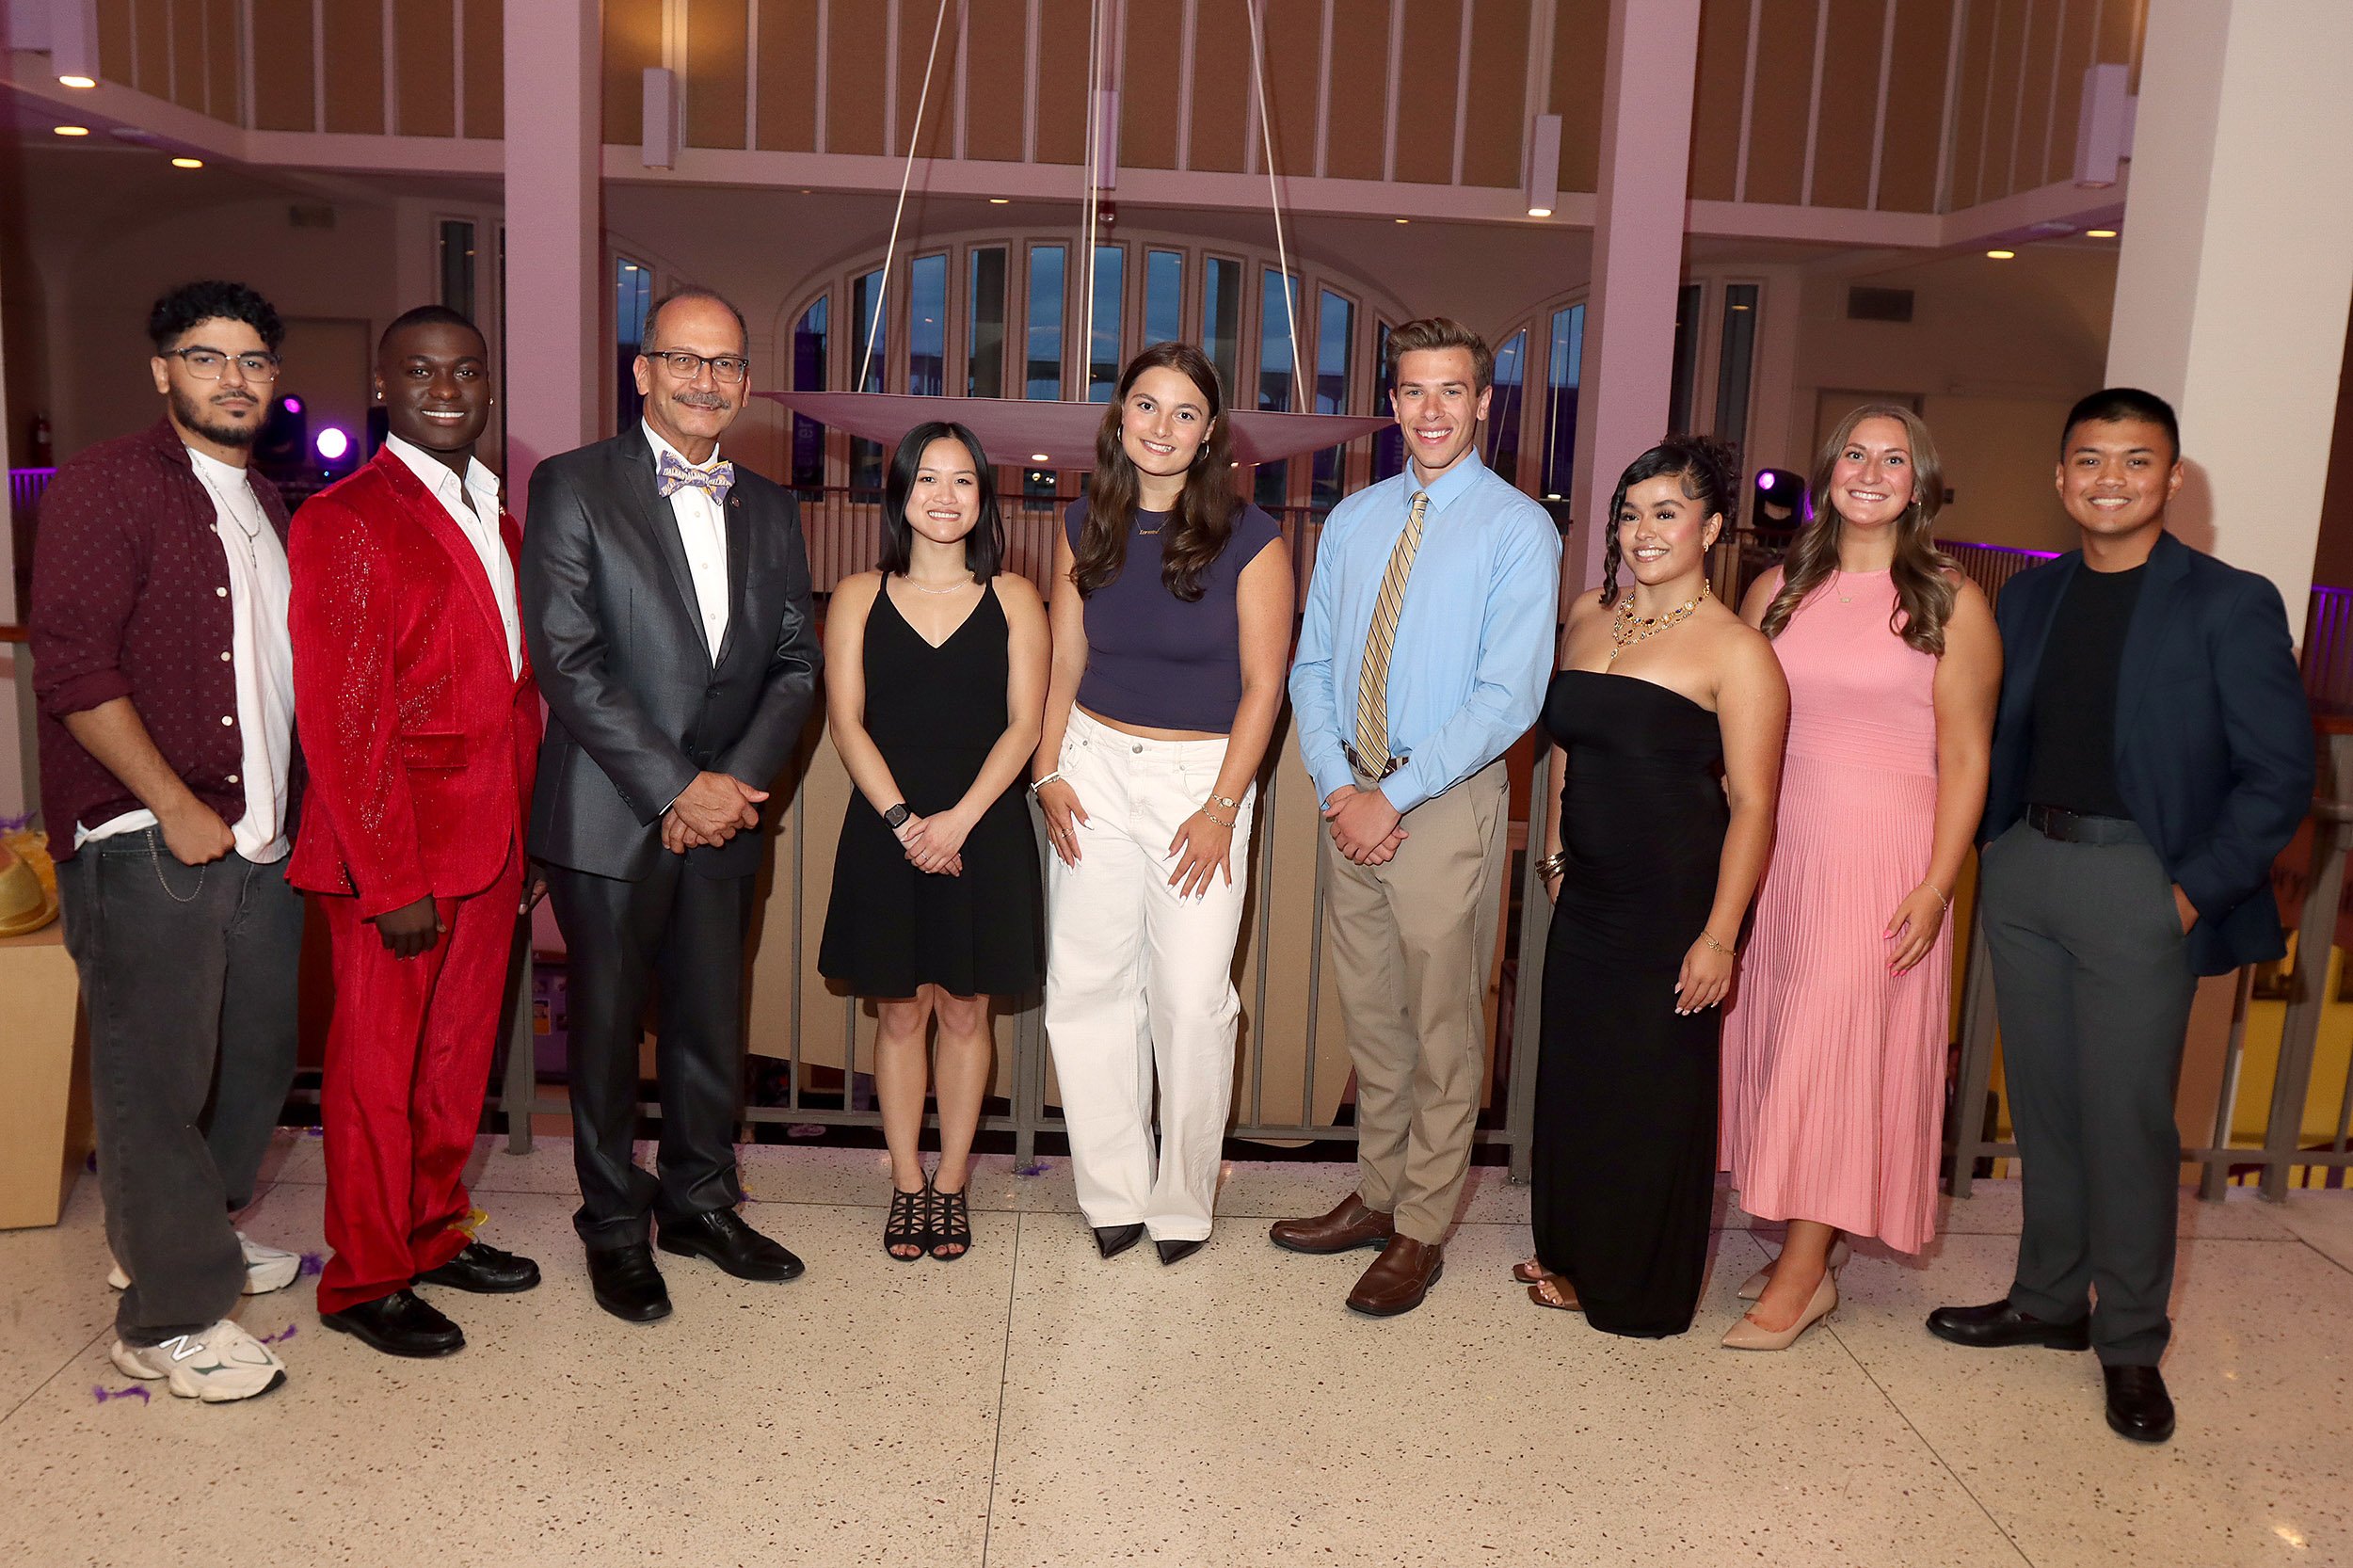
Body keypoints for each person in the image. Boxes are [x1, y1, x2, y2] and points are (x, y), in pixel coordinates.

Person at [1929, 389, 2313, 1444]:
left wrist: (2187, 890)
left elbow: (2280, 775)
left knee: (2128, 1120)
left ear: (2170, 478)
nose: (2109, 479)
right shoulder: (2028, 600)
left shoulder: (2227, 602)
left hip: (2138, 883)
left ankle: (2131, 1342)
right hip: (2027, 871)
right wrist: (1992, 846)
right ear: (2060, 479)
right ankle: (2048, 1300)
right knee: (2044, 1105)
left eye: (2134, 461)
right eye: (2089, 460)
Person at [521, 286, 823, 1324]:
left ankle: (699, 1202)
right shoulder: (571, 485)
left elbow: (793, 663)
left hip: (728, 814)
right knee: (603, 1033)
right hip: (611, 813)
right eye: (684, 359)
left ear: (745, 382)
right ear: (641, 371)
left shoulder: (774, 507)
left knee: (709, 1022)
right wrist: (675, 787)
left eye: (727, 363)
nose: (707, 379)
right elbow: (568, 661)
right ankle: (611, 1224)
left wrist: (731, 785)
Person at [30, 280, 304, 1401]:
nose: (232, 378)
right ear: (163, 371)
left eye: (251, 360)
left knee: (250, 1070)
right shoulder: (110, 483)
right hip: (155, 840)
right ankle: (170, 1312)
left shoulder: (271, 502)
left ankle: (188, 1231)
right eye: (206, 357)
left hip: (264, 847)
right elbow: (75, 670)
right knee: (154, 1078)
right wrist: (176, 806)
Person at [1273, 318, 1559, 1316]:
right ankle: (1382, 1191)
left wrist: (1388, 797)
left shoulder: (1519, 529)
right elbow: (1312, 665)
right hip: (1346, 793)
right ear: (1390, 403)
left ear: (1485, 402)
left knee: (1442, 1026)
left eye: (1450, 392)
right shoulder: (1353, 520)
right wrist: (1335, 788)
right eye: (1411, 391)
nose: (1429, 410)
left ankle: (1423, 1226)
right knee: (1374, 1019)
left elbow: (1507, 697)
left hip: (1441, 801)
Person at [287, 306, 544, 1357]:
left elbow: (516, 696)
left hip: (490, 847)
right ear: (384, 387)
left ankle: (433, 1232)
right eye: (423, 371)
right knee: (374, 1075)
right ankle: (363, 1277)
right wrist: (388, 878)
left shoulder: (500, 516)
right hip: (394, 855)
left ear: (489, 387)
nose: (449, 387)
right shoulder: (347, 518)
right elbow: (344, 725)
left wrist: (522, 848)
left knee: (453, 1064)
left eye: (468, 370)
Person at [1719, 407, 2000, 1350]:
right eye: (1853, 453)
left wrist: (1938, 881)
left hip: (1885, 851)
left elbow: (1966, 757)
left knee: (1835, 1046)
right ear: (1826, 470)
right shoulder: (1777, 590)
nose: (1870, 471)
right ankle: (1809, 1235)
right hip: (1782, 842)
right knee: (1781, 1034)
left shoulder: (1952, 602)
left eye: (1893, 459)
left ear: (1918, 483)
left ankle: (1803, 1275)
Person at [1520, 437, 1786, 1338]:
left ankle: (1638, 1286)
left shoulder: (1737, 650)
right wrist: (1556, 852)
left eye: (1666, 513)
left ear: (1711, 528)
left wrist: (1720, 936)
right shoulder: (1592, 615)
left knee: (1652, 1096)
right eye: (1630, 514)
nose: (1642, 531)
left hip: (1673, 903)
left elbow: (1753, 805)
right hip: (1585, 894)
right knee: (1581, 1080)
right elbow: (1566, 746)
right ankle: (1573, 1252)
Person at [1036, 342, 1291, 1266]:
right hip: (1091, 767)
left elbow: (1265, 686)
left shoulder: (1251, 537)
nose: (1161, 427)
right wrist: (1046, 769)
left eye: (1184, 413)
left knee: (1191, 998)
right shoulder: (1081, 524)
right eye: (1146, 405)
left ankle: (1182, 1200)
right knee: (1086, 988)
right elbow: (1064, 664)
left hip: (1202, 784)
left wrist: (1226, 805)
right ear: (1119, 416)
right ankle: (1111, 1189)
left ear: (1209, 433)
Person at [818, 422, 1048, 1262]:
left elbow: (1025, 727)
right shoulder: (855, 595)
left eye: (963, 482)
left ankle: (951, 1186)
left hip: (983, 832)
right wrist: (907, 825)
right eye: (927, 480)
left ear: (984, 498)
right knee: (901, 1010)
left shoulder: (1017, 597)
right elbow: (846, 725)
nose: (944, 497)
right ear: (900, 494)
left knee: (964, 1008)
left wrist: (956, 822)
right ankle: (906, 1182)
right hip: (887, 831)